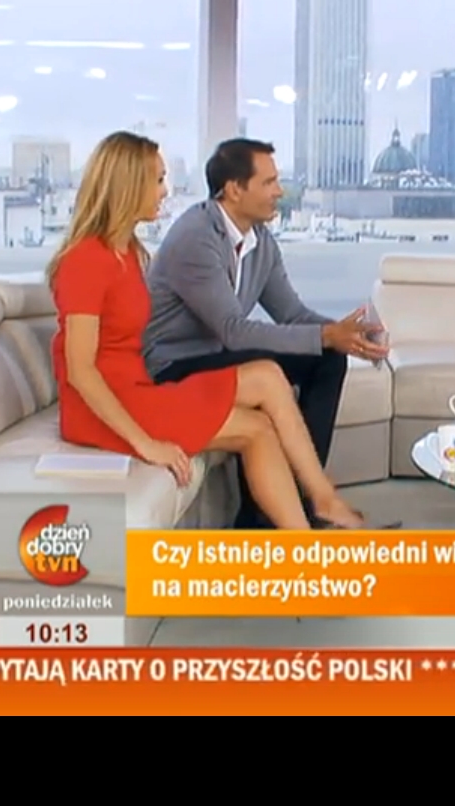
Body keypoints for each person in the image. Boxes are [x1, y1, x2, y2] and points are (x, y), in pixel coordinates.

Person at [47, 130, 365, 530]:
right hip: (108, 405)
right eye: (158, 180)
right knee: (264, 392)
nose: (166, 191)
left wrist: (340, 333)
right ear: (128, 185)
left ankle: (309, 526)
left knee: (261, 417)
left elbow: (289, 311)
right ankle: (319, 510)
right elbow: (81, 371)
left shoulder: (127, 252)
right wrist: (146, 444)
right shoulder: (86, 259)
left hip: (135, 389)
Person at [143, 138, 390, 530]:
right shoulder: (196, 236)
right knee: (282, 363)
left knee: (327, 359)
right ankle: (301, 507)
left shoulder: (260, 241)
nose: (280, 191)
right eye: (269, 182)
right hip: (174, 366)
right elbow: (233, 331)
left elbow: (291, 314)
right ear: (234, 189)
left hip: (215, 355)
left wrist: (346, 336)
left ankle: (293, 508)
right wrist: (327, 334)